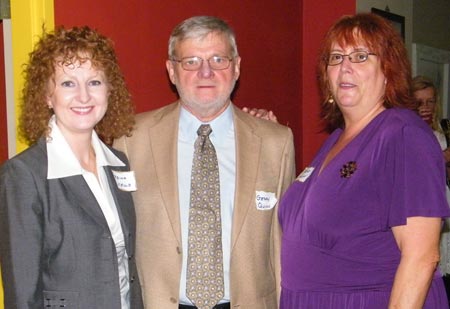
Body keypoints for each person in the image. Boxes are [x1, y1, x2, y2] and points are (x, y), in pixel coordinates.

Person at [114, 16, 296, 308]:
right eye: (191, 61)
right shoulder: (130, 139)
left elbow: (283, 243)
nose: (206, 72)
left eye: (218, 59)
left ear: (236, 67)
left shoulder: (276, 143)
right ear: (171, 71)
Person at [278, 13, 450, 308]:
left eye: (359, 56)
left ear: (387, 69)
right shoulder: (336, 140)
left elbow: (422, 257)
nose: (345, 67)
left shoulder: (402, 134)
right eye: (336, 58)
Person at [0, 26, 143, 308]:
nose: (84, 96)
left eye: (94, 82)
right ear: (47, 96)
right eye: (68, 83)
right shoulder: (23, 175)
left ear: (109, 90)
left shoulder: (119, 165)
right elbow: (22, 291)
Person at [413, 75, 450, 303]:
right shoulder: (406, 134)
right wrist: (441, 159)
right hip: (423, 221)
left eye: (430, 101)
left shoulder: (441, 134)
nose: (426, 108)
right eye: (419, 103)